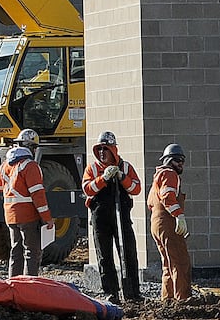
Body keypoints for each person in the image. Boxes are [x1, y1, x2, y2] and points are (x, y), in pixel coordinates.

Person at [82, 130, 143, 303]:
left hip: (122, 217)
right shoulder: (92, 168)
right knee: (104, 256)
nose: (102, 153)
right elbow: (88, 189)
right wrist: (103, 178)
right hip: (101, 218)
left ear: (113, 150)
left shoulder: (125, 167)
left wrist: (121, 177)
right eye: (99, 149)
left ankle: (132, 293)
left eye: (105, 149)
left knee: (128, 254)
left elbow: (136, 189)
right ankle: (111, 292)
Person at [0, 127, 53, 277]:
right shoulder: (30, 166)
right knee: (31, 252)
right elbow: (38, 195)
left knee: (15, 251)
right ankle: (29, 287)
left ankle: (13, 285)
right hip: (28, 216)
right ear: (31, 147)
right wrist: (47, 218)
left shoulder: (6, 164)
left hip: (10, 216)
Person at [147, 142, 191, 302]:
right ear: (168, 160)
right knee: (179, 261)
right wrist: (179, 215)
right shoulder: (169, 174)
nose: (181, 164)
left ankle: (168, 300)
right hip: (167, 222)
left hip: (157, 223)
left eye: (182, 160)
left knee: (168, 264)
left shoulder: (158, 176)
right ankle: (183, 300)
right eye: (177, 159)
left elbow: (151, 203)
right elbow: (167, 196)